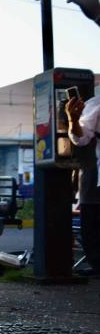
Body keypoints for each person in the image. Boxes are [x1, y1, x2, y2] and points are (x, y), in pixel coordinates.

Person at [65, 85, 100, 277]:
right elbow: (81, 137)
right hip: (95, 178)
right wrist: (73, 119)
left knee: (92, 223)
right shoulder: (96, 104)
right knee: (92, 223)